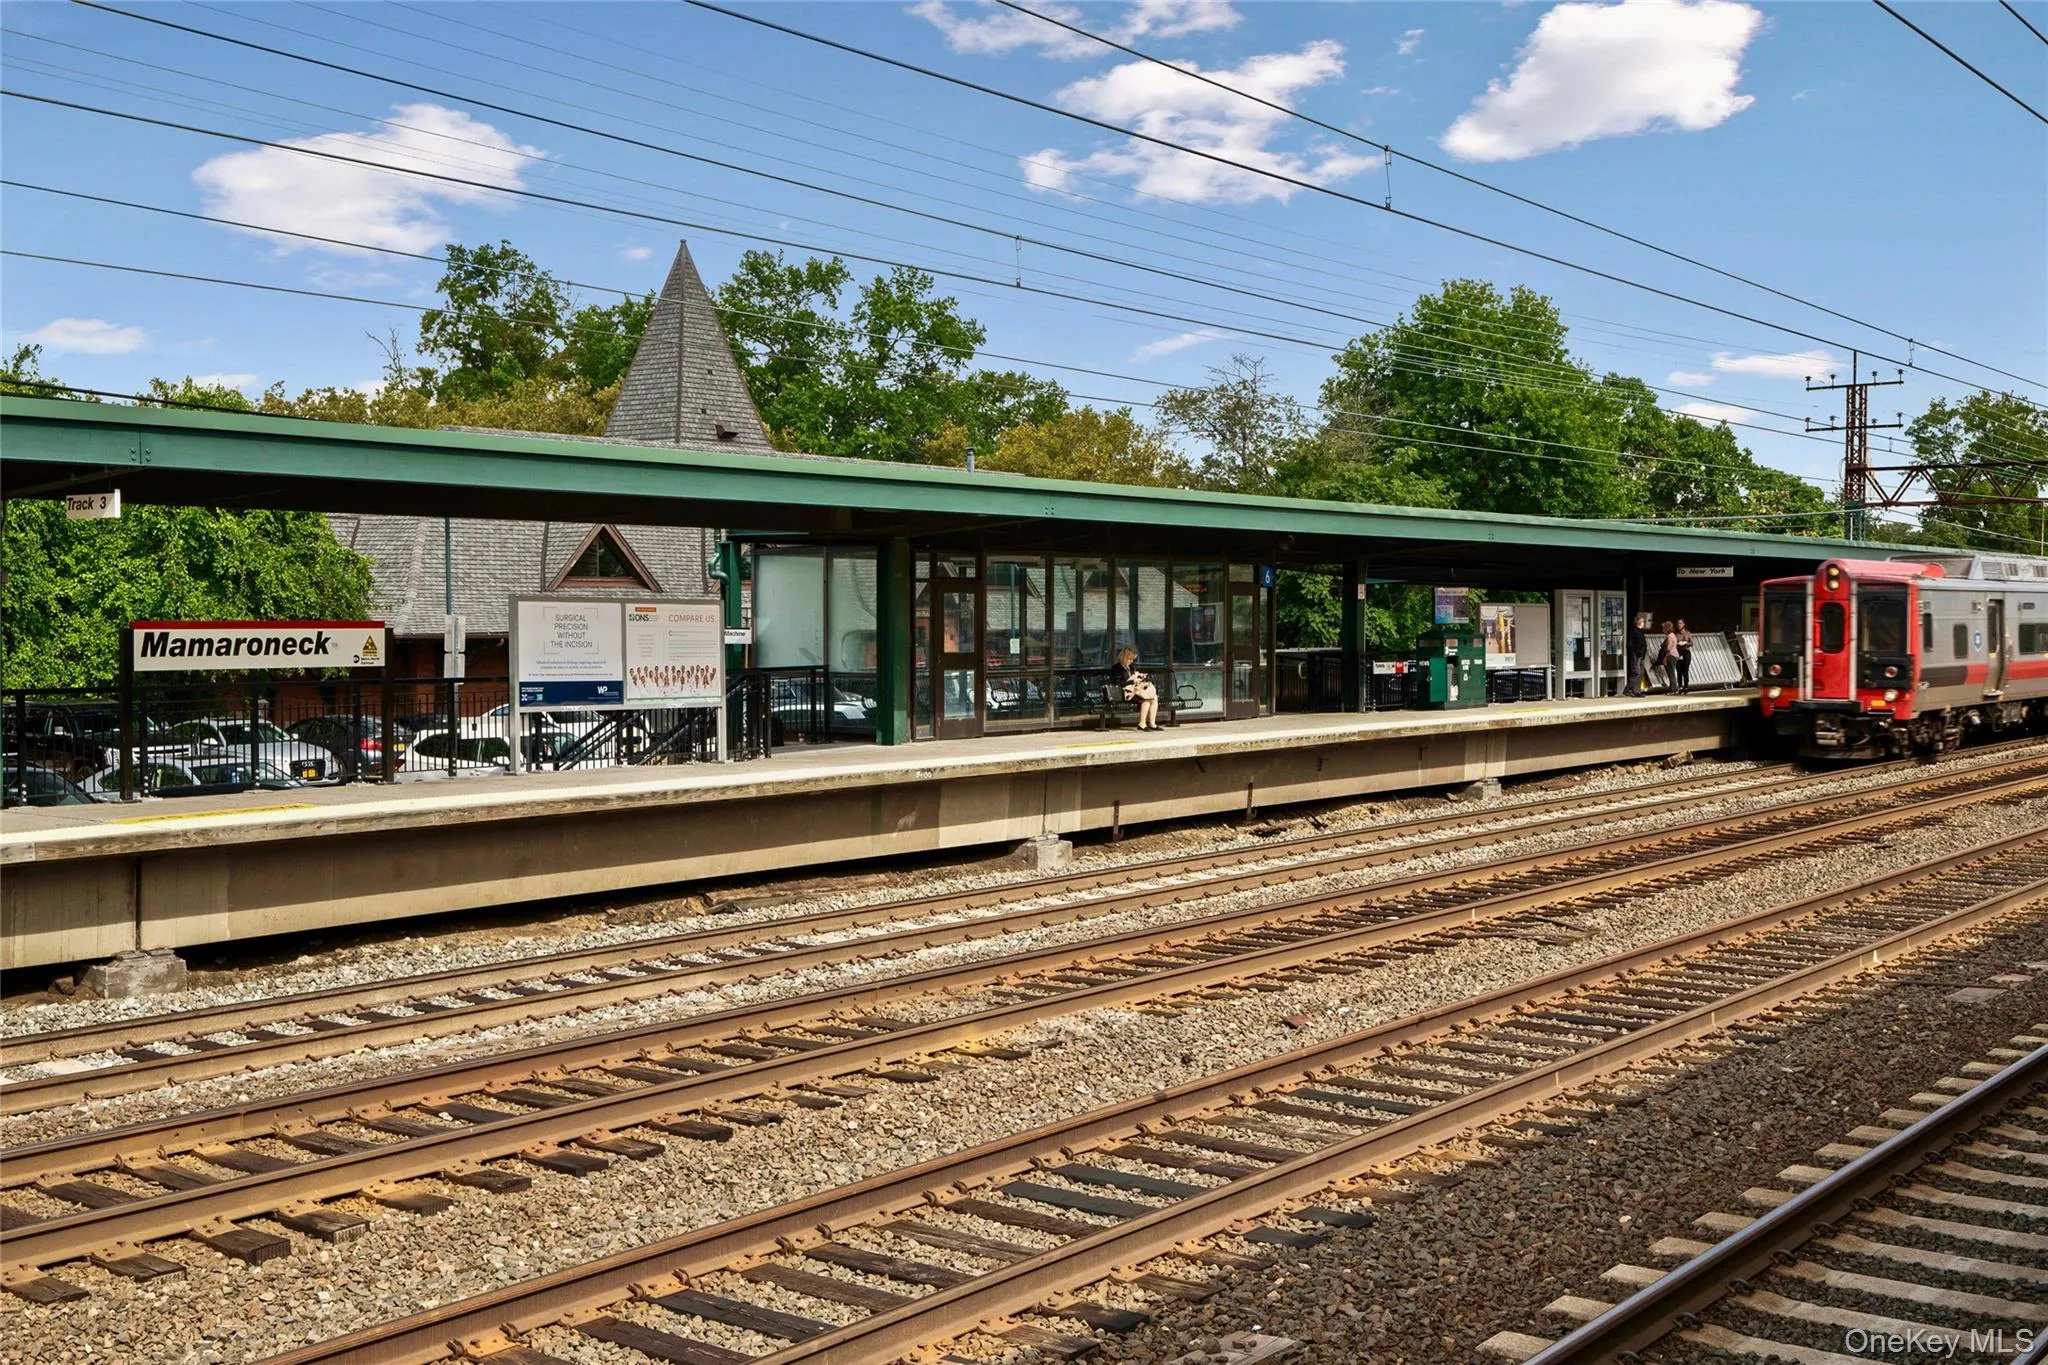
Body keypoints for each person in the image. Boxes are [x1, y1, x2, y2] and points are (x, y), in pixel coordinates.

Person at [1112, 646, 1161, 730]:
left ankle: (1152, 723)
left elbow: (1136, 676)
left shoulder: (1131, 667)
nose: (1131, 661)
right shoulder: (1117, 668)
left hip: (1135, 691)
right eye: (1130, 659)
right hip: (1125, 692)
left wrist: (1140, 676)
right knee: (1147, 699)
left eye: (1133, 659)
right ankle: (1142, 723)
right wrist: (1131, 682)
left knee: (1154, 698)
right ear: (1124, 657)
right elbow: (1117, 683)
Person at [1626, 614, 1649, 695]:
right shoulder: (1634, 631)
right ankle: (1628, 689)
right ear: (1638, 622)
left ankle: (1637, 690)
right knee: (1636, 672)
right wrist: (1633, 654)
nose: (1644, 623)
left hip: (1641, 656)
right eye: (1643, 621)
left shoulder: (1640, 632)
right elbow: (1630, 645)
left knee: (1641, 673)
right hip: (1636, 655)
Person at [1658, 620, 1680, 691]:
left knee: (1671, 673)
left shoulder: (1669, 636)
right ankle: (1672, 687)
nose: (1663, 630)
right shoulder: (1673, 635)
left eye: (1663, 628)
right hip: (1675, 655)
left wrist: (1664, 648)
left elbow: (1669, 647)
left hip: (1671, 655)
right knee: (1672, 672)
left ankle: (1673, 688)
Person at [1673, 619, 1694, 693]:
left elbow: (1692, 643)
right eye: (1678, 623)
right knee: (1679, 671)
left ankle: (1686, 687)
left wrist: (1685, 643)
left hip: (1686, 653)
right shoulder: (1676, 634)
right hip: (1678, 653)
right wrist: (1678, 643)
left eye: (1680, 623)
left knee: (1685, 670)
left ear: (1684, 624)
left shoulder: (1688, 633)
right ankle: (1680, 687)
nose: (1679, 625)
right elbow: (1673, 643)